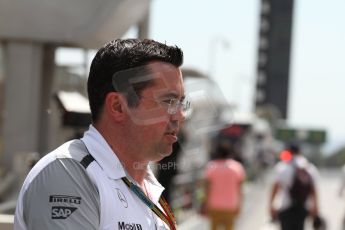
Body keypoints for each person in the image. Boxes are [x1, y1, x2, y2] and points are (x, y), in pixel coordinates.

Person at [14, 38, 189, 230]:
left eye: (181, 102)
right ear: (118, 106)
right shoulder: (67, 173)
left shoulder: (149, 187)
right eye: (168, 101)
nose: (180, 115)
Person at [269, 143, 319, 230]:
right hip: (303, 207)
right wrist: (315, 207)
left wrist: (271, 206)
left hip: (285, 206)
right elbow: (313, 190)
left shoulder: (282, 167)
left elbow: (275, 187)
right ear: (300, 151)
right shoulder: (309, 167)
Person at [204, 141, 246, 230]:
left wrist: (205, 203)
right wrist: (239, 205)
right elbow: (240, 189)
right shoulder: (237, 167)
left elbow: (207, 188)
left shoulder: (211, 166)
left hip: (214, 205)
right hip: (231, 205)